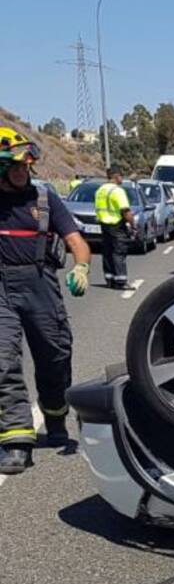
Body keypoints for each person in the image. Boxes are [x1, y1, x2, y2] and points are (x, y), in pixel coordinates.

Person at [0, 127, 91, 474]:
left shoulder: (44, 200)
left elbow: (77, 241)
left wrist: (82, 266)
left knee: (55, 358)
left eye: (26, 166)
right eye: (15, 166)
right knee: (4, 361)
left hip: (40, 284)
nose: (23, 171)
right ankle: (17, 441)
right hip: (1, 290)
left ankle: (55, 419)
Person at [95, 166, 134, 289]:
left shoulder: (100, 190)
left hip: (104, 225)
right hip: (116, 225)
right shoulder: (118, 191)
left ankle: (109, 279)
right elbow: (125, 211)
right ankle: (121, 281)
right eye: (121, 176)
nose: (122, 179)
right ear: (116, 176)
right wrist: (133, 225)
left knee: (107, 252)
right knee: (119, 252)